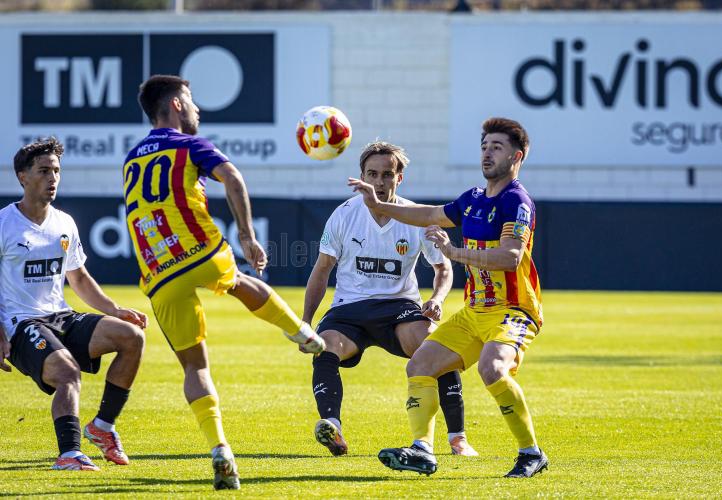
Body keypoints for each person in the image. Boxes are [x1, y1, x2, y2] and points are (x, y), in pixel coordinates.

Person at [124, 75, 325, 490]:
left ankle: (219, 449)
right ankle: (301, 332)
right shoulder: (189, 144)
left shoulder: (130, 158)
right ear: (176, 104)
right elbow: (233, 178)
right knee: (239, 282)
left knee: (195, 367)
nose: (197, 109)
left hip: (157, 270)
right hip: (196, 246)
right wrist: (247, 236)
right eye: (191, 101)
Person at [349, 117, 548, 478]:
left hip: (513, 310)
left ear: (516, 156)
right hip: (474, 312)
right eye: (484, 146)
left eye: (497, 147)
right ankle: (422, 450)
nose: (487, 153)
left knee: (492, 368)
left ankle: (531, 453)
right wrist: (379, 205)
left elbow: (510, 257)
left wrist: (454, 253)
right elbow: (428, 214)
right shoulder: (472, 199)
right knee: (419, 366)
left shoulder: (516, 201)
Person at [304, 141, 477, 457]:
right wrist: (305, 323)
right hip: (349, 310)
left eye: (387, 174)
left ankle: (458, 438)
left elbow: (443, 268)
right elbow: (322, 270)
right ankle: (332, 426)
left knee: (435, 346)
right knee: (324, 347)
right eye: (372, 174)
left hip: (398, 308)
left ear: (400, 178)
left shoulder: (417, 217)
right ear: (361, 177)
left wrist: (437, 298)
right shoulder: (343, 215)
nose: (379, 182)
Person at [0, 138, 147, 471]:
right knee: (68, 372)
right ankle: (69, 454)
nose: (52, 178)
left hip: (61, 316)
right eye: (43, 171)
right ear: (22, 176)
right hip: (22, 325)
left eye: (56, 170)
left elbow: (79, 278)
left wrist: (114, 310)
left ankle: (103, 427)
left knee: (132, 337)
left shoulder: (64, 222)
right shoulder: (4, 224)